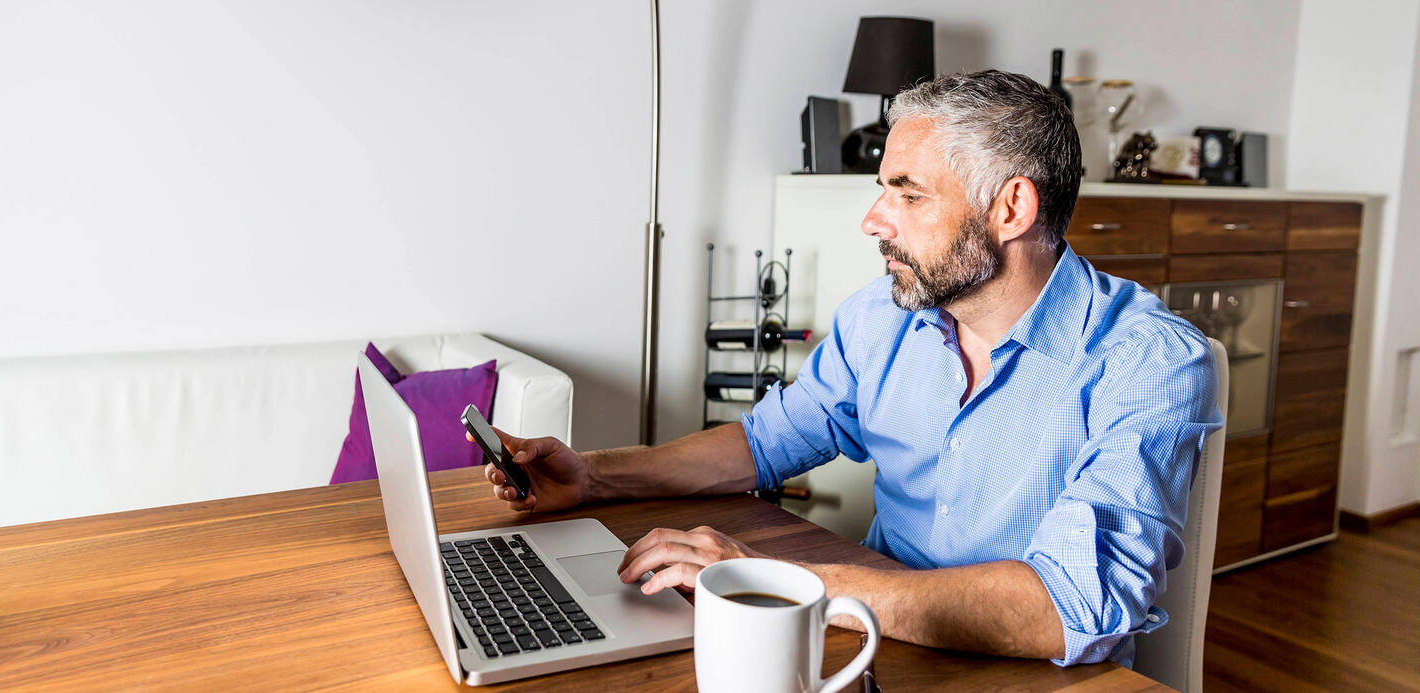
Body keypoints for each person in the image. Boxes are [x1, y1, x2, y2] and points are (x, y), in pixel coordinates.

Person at [478, 70, 1221, 667]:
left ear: (1011, 207)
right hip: (876, 641)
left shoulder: (1148, 363)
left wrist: (777, 583)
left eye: (907, 192)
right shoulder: (885, 315)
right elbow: (767, 441)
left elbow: (1069, 607)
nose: (874, 218)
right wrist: (596, 474)